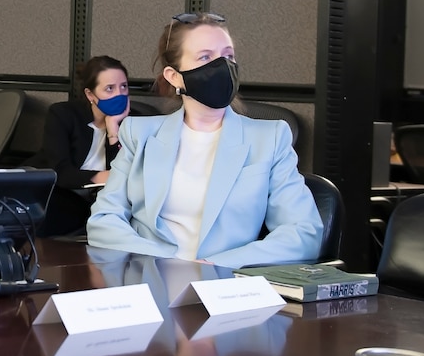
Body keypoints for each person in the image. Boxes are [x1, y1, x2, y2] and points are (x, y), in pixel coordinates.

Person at [86, 13, 322, 266]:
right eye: (205, 57)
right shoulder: (139, 134)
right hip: (148, 279)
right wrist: (168, 263)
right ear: (174, 76)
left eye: (228, 56)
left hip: (226, 286)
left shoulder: (270, 138)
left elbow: (303, 233)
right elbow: (104, 221)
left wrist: (215, 265)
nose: (223, 66)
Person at [31, 55, 160, 237]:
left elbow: (127, 178)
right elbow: (61, 172)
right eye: (109, 89)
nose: (119, 94)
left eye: (123, 87)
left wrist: (113, 129)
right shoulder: (63, 115)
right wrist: (105, 177)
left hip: (106, 199)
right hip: (62, 192)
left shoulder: (136, 123)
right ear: (90, 95)